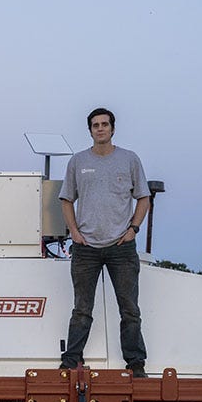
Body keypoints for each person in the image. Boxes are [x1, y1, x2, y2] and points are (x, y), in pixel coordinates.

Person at [58, 107, 150, 377]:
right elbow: (66, 200)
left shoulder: (129, 159)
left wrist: (134, 228)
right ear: (90, 130)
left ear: (112, 128)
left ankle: (136, 364)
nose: (100, 128)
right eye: (95, 125)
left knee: (130, 309)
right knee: (82, 309)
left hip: (121, 247)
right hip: (86, 248)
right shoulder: (77, 162)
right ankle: (71, 361)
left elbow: (143, 197)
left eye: (105, 124)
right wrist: (73, 231)